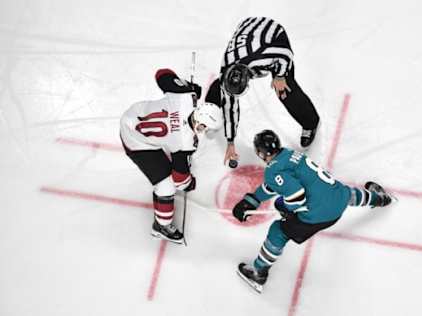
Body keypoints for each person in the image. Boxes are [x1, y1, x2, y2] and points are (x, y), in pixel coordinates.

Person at [232, 130, 394, 292]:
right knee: (343, 193)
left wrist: (287, 209)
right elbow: (276, 184)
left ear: (260, 153)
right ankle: (380, 198)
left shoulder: (273, 171)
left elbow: (296, 195)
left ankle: (258, 273)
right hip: (338, 198)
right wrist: (253, 200)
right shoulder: (289, 154)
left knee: (278, 231)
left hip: (320, 215)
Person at [120, 68, 223, 244]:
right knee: (166, 186)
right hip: (136, 142)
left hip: (132, 114)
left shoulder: (185, 95)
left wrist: (187, 86)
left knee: (170, 149)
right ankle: (161, 227)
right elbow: (179, 180)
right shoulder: (186, 144)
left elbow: (162, 74)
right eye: (205, 129)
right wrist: (190, 183)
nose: (204, 132)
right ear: (200, 124)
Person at [205, 17, 321, 166]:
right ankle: (209, 112)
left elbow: (285, 54)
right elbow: (230, 108)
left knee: (285, 90)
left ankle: (310, 122)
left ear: (248, 75)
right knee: (220, 89)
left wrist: (280, 76)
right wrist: (230, 141)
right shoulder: (225, 69)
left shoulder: (260, 59)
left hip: (273, 36)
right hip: (247, 28)